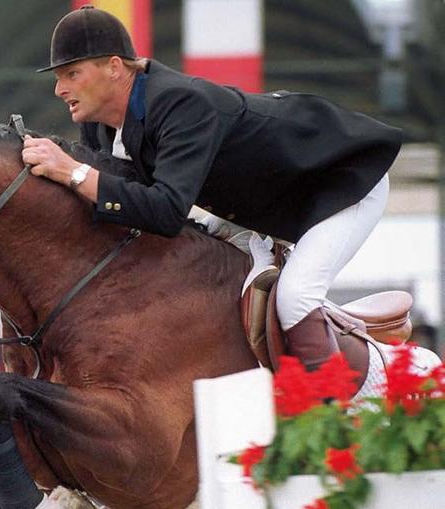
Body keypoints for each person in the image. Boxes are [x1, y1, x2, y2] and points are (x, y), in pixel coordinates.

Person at [22, 6, 402, 371]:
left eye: (71, 73)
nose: (59, 88)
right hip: (262, 201)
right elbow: (121, 203)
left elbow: (166, 211)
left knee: (295, 298)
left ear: (115, 68)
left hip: (340, 181)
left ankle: (335, 419)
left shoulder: (177, 103)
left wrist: (73, 173)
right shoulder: (99, 123)